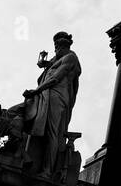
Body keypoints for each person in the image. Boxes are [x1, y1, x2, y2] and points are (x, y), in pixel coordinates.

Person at [23, 32, 82, 177]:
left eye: (56, 48)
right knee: (27, 119)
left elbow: (55, 78)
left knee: (52, 133)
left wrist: (36, 91)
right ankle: (26, 159)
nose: (54, 51)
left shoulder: (70, 57)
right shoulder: (61, 58)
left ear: (61, 46)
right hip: (46, 95)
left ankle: (48, 170)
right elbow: (53, 64)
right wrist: (45, 64)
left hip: (56, 96)